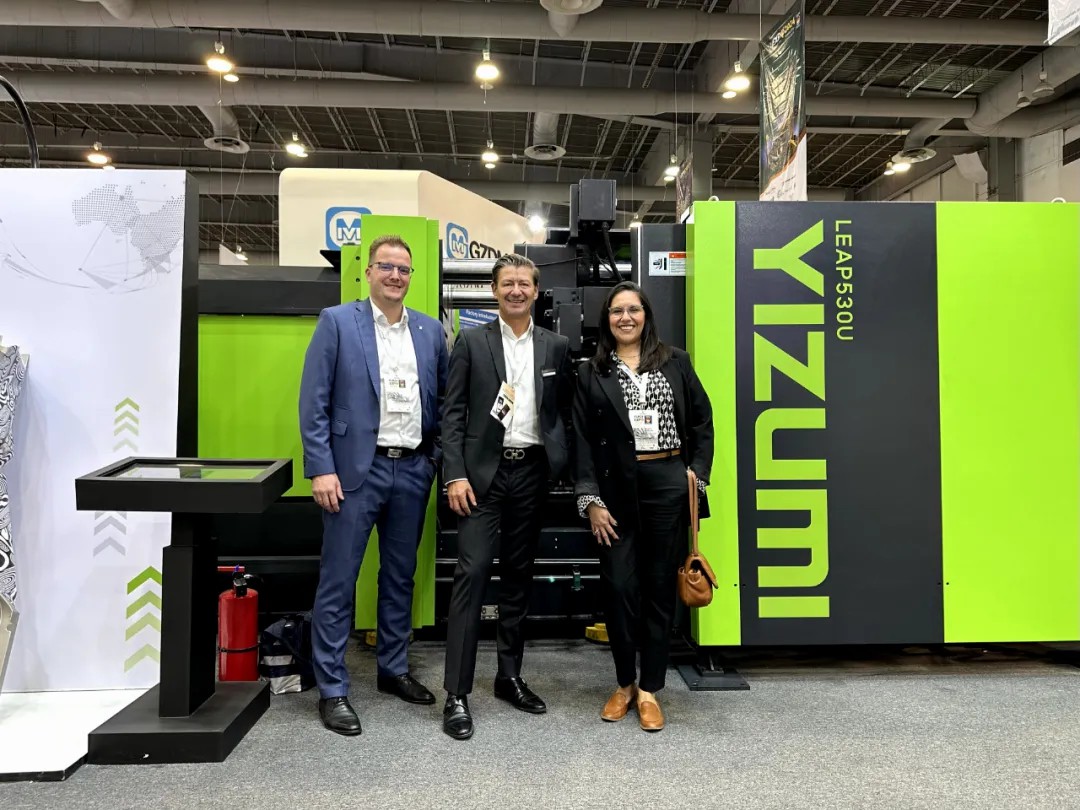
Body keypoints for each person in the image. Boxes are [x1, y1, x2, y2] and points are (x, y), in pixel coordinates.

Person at [299, 234, 449, 736]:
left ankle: (393, 668)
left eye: (403, 269)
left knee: (400, 577)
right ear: (368, 271)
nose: (395, 276)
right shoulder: (338, 322)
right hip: (351, 474)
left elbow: (444, 402)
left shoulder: (430, 331)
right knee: (339, 580)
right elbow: (314, 401)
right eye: (386, 266)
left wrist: (432, 460)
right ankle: (332, 688)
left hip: (412, 470)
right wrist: (321, 468)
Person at [440, 253, 574, 740]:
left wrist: (562, 463)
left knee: (519, 577)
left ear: (535, 291)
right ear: (494, 291)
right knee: (472, 574)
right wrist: (455, 475)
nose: (516, 291)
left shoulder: (556, 346)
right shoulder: (471, 342)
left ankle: (508, 677)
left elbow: (562, 412)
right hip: (482, 479)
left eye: (524, 284)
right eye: (507, 284)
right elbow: (452, 413)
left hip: (532, 473)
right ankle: (457, 693)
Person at [572, 280, 713, 733]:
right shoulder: (592, 371)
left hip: (667, 483)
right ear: (607, 319)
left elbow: (702, 421)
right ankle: (623, 683)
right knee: (618, 589)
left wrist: (696, 476)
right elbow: (581, 439)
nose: (625, 318)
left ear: (646, 315)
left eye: (633, 309)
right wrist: (590, 500)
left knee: (658, 590)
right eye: (617, 311)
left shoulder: (675, 361)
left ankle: (650, 688)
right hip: (613, 491)